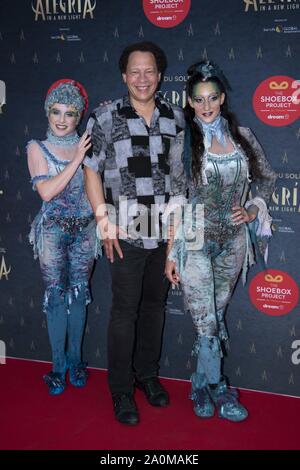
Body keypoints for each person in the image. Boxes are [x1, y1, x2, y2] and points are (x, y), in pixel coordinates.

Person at [165, 61, 276, 422]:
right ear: (190, 101)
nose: (207, 105)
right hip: (194, 238)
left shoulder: (242, 135)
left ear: (222, 97)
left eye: (213, 97)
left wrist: (254, 208)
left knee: (217, 314)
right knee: (206, 322)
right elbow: (175, 199)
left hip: (233, 242)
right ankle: (217, 388)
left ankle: (199, 381)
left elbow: (267, 179)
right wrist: (170, 253)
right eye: (199, 99)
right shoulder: (184, 142)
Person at [84, 41, 185, 425]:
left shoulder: (175, 118)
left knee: (154, 308)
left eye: (149, 71)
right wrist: (103, 221)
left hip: (163, 232)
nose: (142, 78)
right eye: (134, 71)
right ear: (124, 76)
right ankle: (121, 390)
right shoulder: (106, 116)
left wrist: (175, 241)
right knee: (124, 312)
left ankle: (147, 376)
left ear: (159, 76)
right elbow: (90, 170)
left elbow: (178, 184)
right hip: (124, 230)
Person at [27, 79, 98, 395]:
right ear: (47, 112)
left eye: (70, 113)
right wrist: (75, 160)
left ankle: (76, 362)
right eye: (56, 111)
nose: (62, 119)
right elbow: (46, 191)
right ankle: (57, 368)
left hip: (85, 231)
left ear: (78, 116)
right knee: (56, 297)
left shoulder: (87, 146)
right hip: (53, 232)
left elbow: (96, 190)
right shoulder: (36, 147)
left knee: (79, 295)